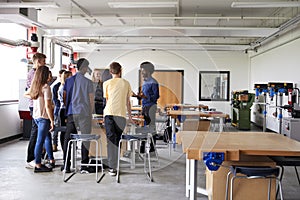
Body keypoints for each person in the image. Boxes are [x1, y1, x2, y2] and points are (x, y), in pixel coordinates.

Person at [62, 58, 94, 173]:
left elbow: (65, 97)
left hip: (71, 112)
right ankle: (84, 166)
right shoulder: (88, 82)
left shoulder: (68, 81)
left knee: (68, 139)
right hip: (84, 113)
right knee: (85, 138)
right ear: (85, 68)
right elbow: (91, 100)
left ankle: (66, 166)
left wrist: (68, 107)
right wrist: (90, 113)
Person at [103, 62, 133, 176]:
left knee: (111, 140)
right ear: (120, 70)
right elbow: (127, 102)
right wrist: (130, 117)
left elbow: (107, 101)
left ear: (110, 72)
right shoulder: (126, 83)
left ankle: (112, 167)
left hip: (109, 114)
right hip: (120, 115)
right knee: (117, 140)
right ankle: (114, 165)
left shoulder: (106, 83)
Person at [24, 65, 55, 172]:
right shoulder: (46, 87)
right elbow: (48, 106)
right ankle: (38, 164)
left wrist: (34, 96)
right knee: (40, 141)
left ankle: (51, 159)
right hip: (43, 117)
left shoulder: (35, 86)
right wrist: (52, 120)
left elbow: (25, 94)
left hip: (36, 116)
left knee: (46, 138)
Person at [25, 52, 47, 168]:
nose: (44, 64)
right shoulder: (33, 74)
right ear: (38, 62)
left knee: (41, 133)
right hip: (35, 106)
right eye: (43, 62)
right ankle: (31, 158)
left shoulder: (37, 73)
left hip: (39, 105)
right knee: (35, 132)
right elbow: (31, 91)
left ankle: (39, 156)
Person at [136, 61, 160, 152]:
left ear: (148, 71)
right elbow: (144, 96)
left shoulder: (153, 82)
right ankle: (142, 148)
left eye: (143, 70)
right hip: (145, 106)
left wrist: (145, 97)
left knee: (151, 128)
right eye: (141, 70)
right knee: (144, 127)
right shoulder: (145, 82)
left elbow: (156, 96)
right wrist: (138, 96)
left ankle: (152, 149)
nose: (141, 72)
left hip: (151, 107)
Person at [57, 71, 72, 151]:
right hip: (64, 110)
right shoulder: (63, 87)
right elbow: (65, 101)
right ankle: (65, 149)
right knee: (64, 131)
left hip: (65, 109)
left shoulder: (65, 87)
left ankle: (67, 148)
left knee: (66, 131)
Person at [51, 69, 66, 152]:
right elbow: (54, 99)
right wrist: (59, 105)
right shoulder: (56, 86)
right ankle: (54, 144)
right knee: (56, 127)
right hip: (58, 109)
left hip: (63, 109)